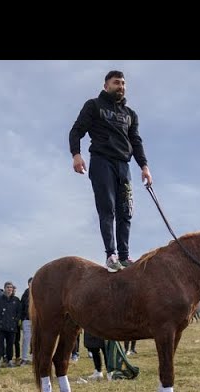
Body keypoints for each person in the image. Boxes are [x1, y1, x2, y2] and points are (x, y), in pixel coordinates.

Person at [69, 70, 153, 272]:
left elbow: (136, 141)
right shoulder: (94, 105)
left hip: (123, 165)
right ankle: (111, 255)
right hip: (101, 161)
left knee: (126, 211)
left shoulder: (130, 114)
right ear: (106, 86)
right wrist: (76, 154)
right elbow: (76, 130)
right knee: (108, 209)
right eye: (117, 83)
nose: (121, 86)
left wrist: (144, 166)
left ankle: (124, 256)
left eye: (123, 83)